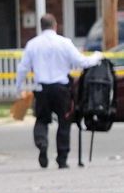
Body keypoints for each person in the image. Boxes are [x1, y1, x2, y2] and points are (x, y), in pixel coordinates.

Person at [16, 13, 102, 169]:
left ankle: (42, 142)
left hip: (41, 88)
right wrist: (96, 57)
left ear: (41, 27)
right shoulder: (64, 43)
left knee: (41, 120)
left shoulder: (33, 44)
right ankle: (62, 158)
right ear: (55, 25)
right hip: (61, 88)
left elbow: (23, 68)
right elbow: (80, 61)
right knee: (64, 121)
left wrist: (18, 87)